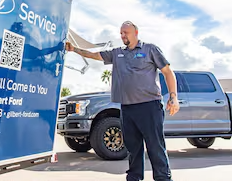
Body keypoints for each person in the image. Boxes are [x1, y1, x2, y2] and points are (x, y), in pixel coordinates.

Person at [65, 21, 180, 181]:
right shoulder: (117, 53)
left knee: (155, 146)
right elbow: (94, 55)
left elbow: (168, 72)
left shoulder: (150, 49)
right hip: (127, 108)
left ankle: (163, 178)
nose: (123, 36)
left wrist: (173, 97)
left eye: (126, 32)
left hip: (149, 106)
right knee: (133, 147)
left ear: (136, 32)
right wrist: (74, 49)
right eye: (121, 33)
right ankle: (134, 177)